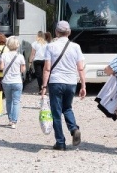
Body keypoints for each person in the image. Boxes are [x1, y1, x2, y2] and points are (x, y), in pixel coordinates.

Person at [41, 20, 86, 151]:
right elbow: (81, 68)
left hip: (56, 81)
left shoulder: (50, 47)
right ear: (69, 32)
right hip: (71, 82)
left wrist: (44, 87)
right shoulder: (76, 47)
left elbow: (47, 68)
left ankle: (60, 142)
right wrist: (83, 85)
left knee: (56, 113)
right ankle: (73, 128)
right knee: (67, 108)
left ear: (56, 32)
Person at [0, 36, 26, 129]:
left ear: (8, 45)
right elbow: (23, 70)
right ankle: (14, 122)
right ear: (17, 45)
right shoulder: (20, 56)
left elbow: (1, 68)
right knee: (16, 102)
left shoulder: (4, 55)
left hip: (6, 81)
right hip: (17, 81)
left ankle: (10, 119)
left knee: (8, 101)